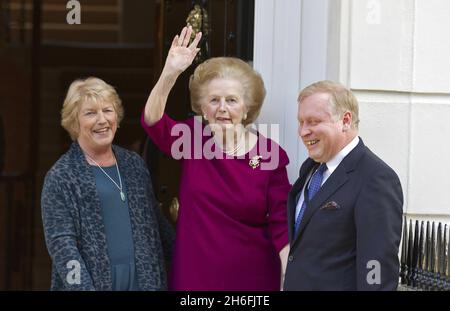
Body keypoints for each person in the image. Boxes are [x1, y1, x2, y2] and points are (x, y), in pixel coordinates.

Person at [141, 26, 290, 290]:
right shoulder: (192, 139)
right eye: (214, 100)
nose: (222, 108)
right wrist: (170, 73)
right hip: (196, 278)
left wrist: (290, 278)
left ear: (247, 108)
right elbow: (153, 122)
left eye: (232, 100)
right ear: (202, 108)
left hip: (253, 280)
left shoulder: (269, 155)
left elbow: (282, 225)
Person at [41, 77, 174, 290]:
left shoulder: (134, 164)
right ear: (74, 122)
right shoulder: (61, 176)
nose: (102, 120)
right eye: (90, 113)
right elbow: (63, 249)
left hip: (143, 282)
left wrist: (194, 254)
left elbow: (156, 224)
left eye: (107, 110)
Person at [284, 80, 403, 290]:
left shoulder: (375, 178)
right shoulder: (310, 169)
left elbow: (376, 268)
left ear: (345, 120)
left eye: (313, 121)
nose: (303, 131)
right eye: (301, 122)